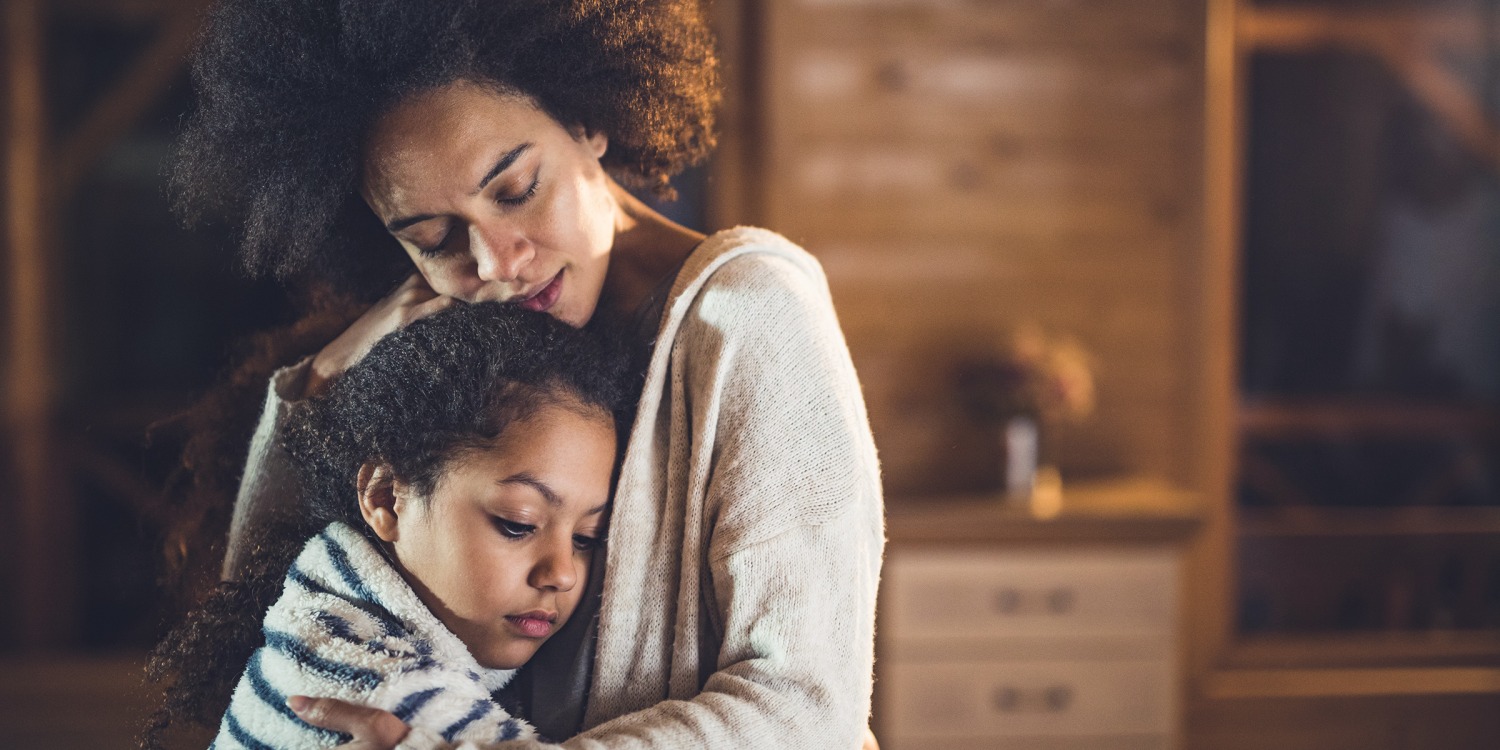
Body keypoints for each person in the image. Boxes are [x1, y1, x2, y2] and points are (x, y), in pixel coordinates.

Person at [165, 0, 885, 747]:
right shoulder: (463, 344)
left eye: (515, 191)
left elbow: (806, 702)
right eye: (437, 239)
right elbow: (269, 628)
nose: (495, 264)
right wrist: (323, 382)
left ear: (588, 123)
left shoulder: (749, 314)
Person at [152, 303, 626, 749]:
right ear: (386, 499)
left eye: (585, 538)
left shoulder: (328, 613)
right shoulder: (389, 694)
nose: (562, 573)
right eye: (517, 523)